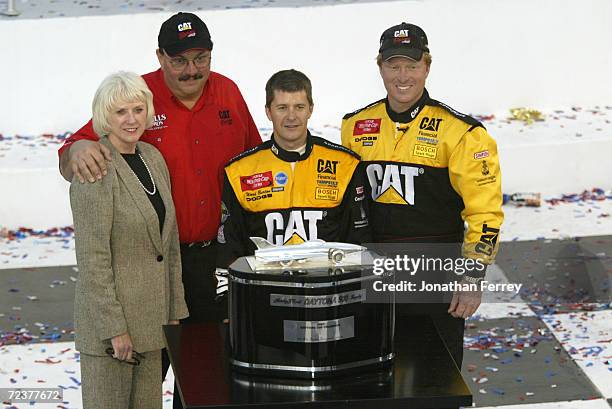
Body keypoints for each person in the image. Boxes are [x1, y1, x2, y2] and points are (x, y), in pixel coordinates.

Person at [58, 12, 261, 408]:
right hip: (151, 272)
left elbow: (253, 162)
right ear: (160, 57)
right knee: (143, 381)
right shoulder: (137, 97)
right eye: (180, 60)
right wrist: (76, 149)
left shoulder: (229, 93)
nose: (191, 70)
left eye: (201, 58)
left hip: (212, 267)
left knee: (207, 382)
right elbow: (81, 150)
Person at [341, 22, 504, 368]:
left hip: (436, 275)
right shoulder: (355, 126)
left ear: (427, 66)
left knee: (437, 381)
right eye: (393, 65)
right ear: (380, 67)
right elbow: (346, 207)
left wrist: (472, 276)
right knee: (374, 378)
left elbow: (485, 214)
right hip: (374, 275)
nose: (403, 76)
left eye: (412, 66)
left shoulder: (462, 133)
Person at [70, 71, 189, 409]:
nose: (131, 119)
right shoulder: (95, 168)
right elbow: (93, 259)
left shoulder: (153, 158)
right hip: (112, 333)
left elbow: (169, 244)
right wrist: (114, 328)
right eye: (120, 111)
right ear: (104, 116)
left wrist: (174, 312)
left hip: (152, 324)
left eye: (138, 109)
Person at [216, 69, 371, 268]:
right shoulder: (239, 170)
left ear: (310, 109)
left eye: (299, 107)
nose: (291, 116)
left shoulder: (345, 164)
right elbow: (229, 245)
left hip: (327, 290)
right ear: (268, 112)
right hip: (263, 290)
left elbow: (358, 240)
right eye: (282, 107)